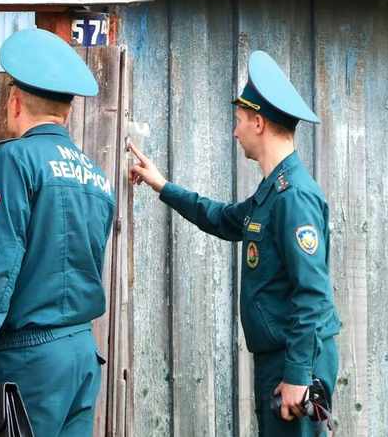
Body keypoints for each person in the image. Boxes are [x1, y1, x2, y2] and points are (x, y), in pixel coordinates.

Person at [129, 51, 342, 436]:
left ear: (258, 123)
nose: (234, 131)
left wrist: (297, 374)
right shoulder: (272, 192)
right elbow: (224, 218)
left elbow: (313, 294)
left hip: (295, 361)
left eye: (239, 121)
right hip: (280, 358)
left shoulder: (293, 197)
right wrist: (162, 185)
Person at [0, 27, 115, 437]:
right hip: (81, 355)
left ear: (15, 100)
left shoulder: (14, 160)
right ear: (67, 111)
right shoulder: (95, 176)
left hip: (30, 361)